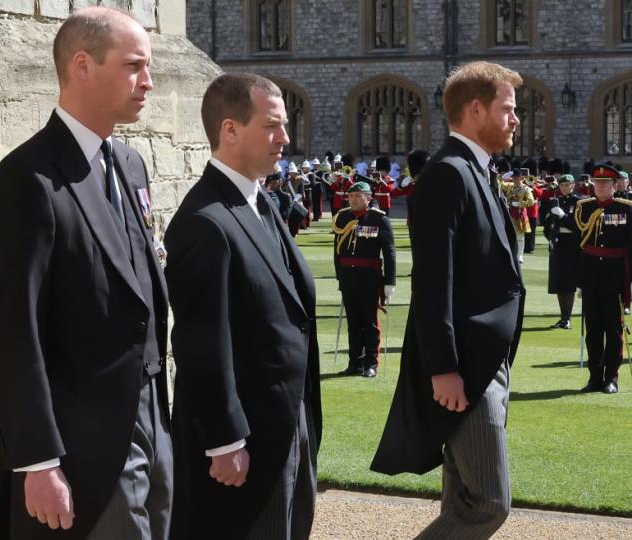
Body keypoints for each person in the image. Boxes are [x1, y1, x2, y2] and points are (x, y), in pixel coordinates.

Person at [0, 8, 172, 538]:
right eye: (134, 66)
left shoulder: (130, 164)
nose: (149, 82)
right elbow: (14, 330)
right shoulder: (29, 178)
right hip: (81, 435)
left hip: (151, 417)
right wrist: (37, 460)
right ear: (81, 65)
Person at [164, 72, 322, 539]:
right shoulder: (205, 222)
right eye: (272, 126)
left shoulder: (259, 202)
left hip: (287, 418)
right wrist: (225, 439)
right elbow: (201, 340)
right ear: (230, 129)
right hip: (247, 436)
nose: (285, 139)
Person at [371, 61, 525, 539]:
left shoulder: (476, 171)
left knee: (463, 496)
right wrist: (444, 368)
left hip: (484, 358)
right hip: (466, 366)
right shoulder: (448, 175)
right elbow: (434, 281)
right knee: (487, 505)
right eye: (508, 109)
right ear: (476, 109)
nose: (515, 119)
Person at [575, 165, 632, 394]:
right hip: (591, 275)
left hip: (615, 276)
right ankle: (594, 376)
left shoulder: (625, 209)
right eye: (597, 182)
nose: (601, 186)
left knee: (613, 329)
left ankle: (611, 377)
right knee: (593, 328)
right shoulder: (584, 208)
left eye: (606, 183)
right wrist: (578, 277)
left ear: (615, 186)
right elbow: (579, 245)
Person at [332, 180, 396, 378]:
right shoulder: (342, 218)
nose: (353, 199)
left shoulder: (379, 219)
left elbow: (389, 251)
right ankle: (355, 363)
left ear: (368, 198)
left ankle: (371, 363)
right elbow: (337, 249)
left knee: (369, 323)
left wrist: (389, 281)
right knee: (353, 323)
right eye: (351, 196)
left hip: (369, 278)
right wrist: (339, 275)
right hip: (348, 277)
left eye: (358, 196)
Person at [540, 174, 582, 329]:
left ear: (572, 185)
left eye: (567, 185)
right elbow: (546, 224)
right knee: (558, 282)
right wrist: (550, 237)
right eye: (562, 185)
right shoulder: (553, 202)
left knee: (568, 282)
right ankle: (562, 317)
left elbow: (577, 227)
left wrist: (563, 216)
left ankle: (568, 317)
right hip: (557, 243)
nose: (564, 188)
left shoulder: (578, 202)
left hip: (571, 244)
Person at [503, 168, 535, 261]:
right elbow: (499, 183)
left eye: (516, 177)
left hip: (519, 214)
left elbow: (531, 201)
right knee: (509, 235)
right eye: (513, 177)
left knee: (520, 236)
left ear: (521, 178)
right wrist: (505, 176)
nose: (514, 179)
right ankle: (511, 254)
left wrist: (520, 204)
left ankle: (519, 255)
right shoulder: (510, 186)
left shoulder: (526, 189)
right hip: (509, 213)